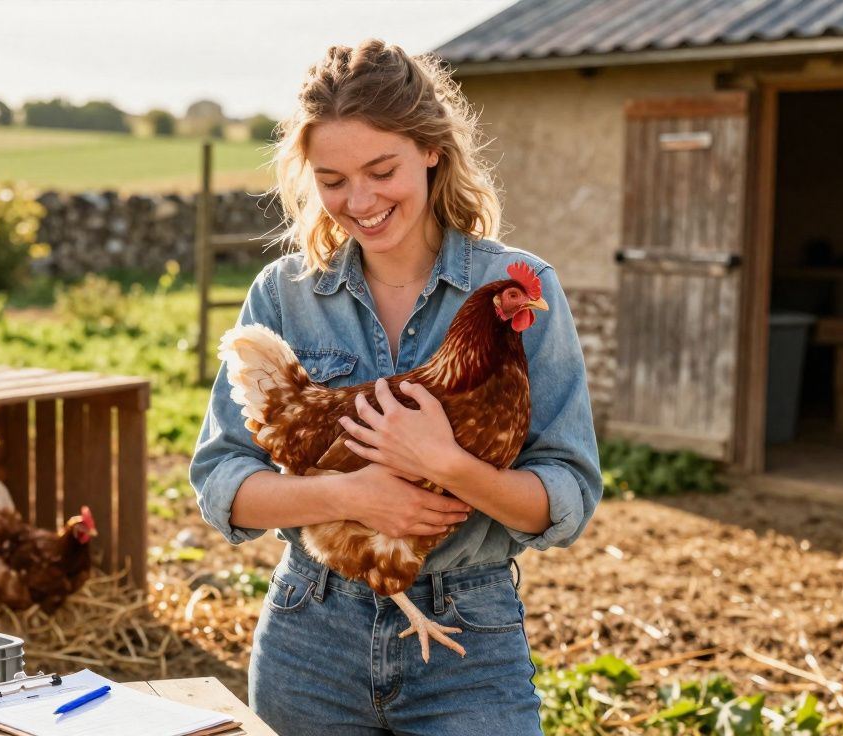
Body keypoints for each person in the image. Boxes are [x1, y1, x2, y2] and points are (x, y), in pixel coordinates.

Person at [189, 39, 601, 736]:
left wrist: (445, 464)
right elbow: (223, 484)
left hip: (468, 635)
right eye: (332, 179)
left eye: (382, 170)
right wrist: (346, 494)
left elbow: (564, 500)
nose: (360, 201)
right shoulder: (287, 296)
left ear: (432, 149)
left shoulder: (516, 287)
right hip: (310, 630)